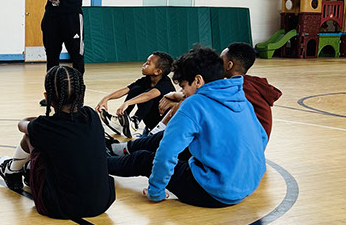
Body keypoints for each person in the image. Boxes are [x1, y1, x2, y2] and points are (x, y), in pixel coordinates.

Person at [108, 46, 267, 207]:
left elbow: (166, 153)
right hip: (246, 187)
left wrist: (156, 191)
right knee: (167, 138)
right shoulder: (241, 98)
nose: (183, 92)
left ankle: (101, 162)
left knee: (144, 159)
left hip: (211, 193)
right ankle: (118, 148)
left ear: (198, 81)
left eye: (183, 87)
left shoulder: (194, 103)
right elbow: (262, 138)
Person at [0, 65, 115, 219]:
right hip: (101, 203)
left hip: (60, 207)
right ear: (81, 94)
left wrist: (35, 121)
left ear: (47, 98)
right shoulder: (91, 115)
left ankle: (12, 171)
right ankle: (26, 170)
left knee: (30, 137)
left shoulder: (44, 126)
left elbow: (22, 125)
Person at [95, 52, 174, 137]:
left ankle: (135, 122)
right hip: (150, 124)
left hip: (163, 127)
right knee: (136, 89)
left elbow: (149, 95)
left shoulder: (165, 84)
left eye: (148, 63)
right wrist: (106, 98)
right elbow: (126, 89)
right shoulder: (146, 80)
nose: (144, 65)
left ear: (158, 71)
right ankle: (121, 122)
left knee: (146, 96)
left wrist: (127, 103)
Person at [221, 42, 282, 138]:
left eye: (220, 60)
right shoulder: (251, 83)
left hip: (250, 140)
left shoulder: (238, 88)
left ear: (229, 65)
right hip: (256, 140)